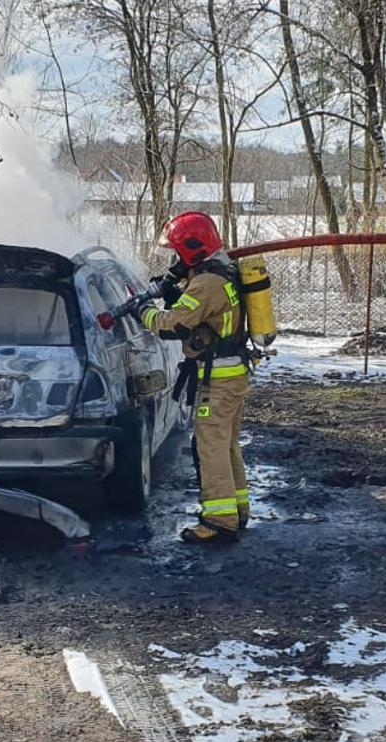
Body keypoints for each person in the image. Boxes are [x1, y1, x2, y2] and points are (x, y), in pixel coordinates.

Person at [136, 211, 254, 544]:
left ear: (192, 249)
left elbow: (176, 323)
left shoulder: (207, 282)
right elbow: (199, 312)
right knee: (226, 445)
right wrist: (175, 292)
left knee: (210, 446)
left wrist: (143, 314)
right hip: (232, 375)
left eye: (177, 252)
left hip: (218, 379)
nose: (174, 259)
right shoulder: (221, 273)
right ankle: (237, 510)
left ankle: (218, 521)